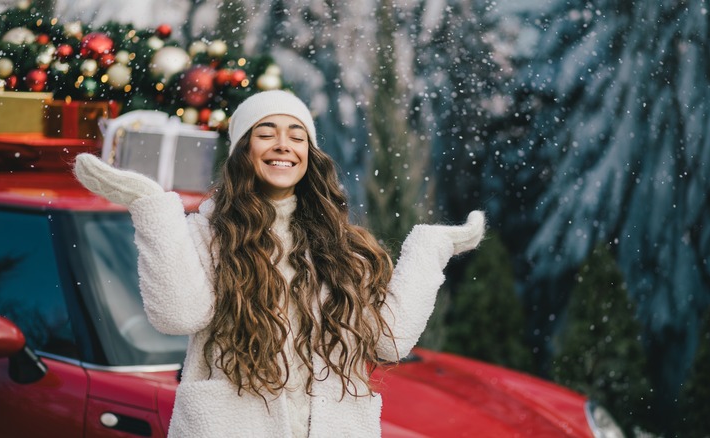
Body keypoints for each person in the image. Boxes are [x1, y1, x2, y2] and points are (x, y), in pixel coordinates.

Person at [73, 90, 485, 437]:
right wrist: (152, 206)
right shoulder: (208, 234)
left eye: (297, 136)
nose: (283, 145)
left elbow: (389, 341)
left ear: (310, 153)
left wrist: (429, 248)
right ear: (241, 152)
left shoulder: (342, 247)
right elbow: (179, 314)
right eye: (265, 133)